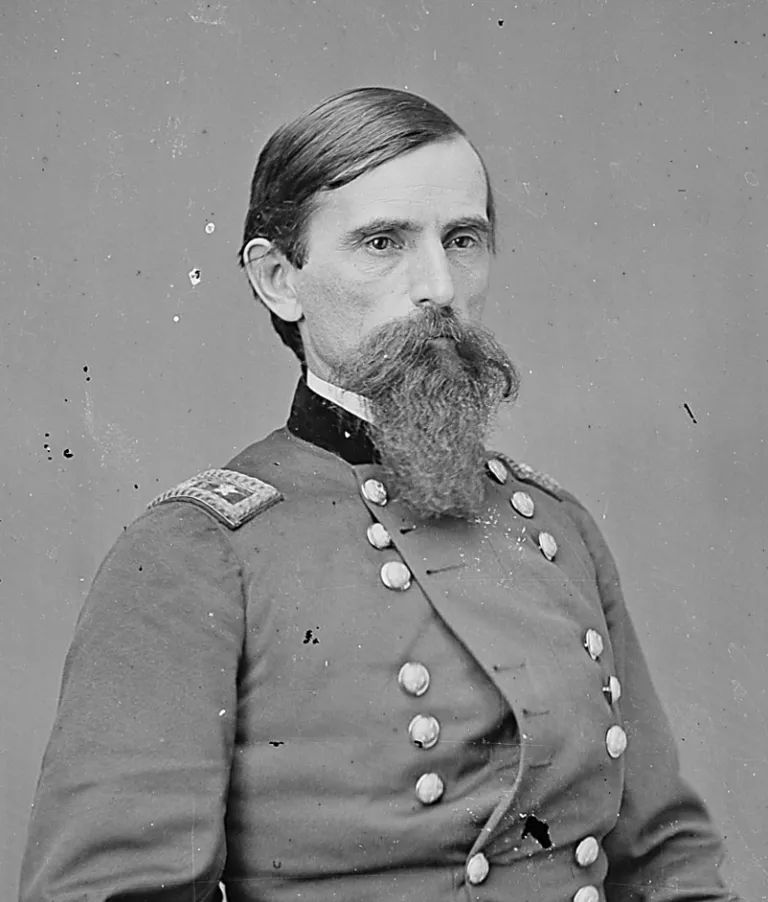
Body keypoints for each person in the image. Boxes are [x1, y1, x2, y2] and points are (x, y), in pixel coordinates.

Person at [20, 87, 739, 902]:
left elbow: (668, 861)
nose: (438, 285)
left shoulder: (556, 528)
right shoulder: (199, 552)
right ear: (278, 280)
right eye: (382, 242)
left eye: (462, 239)